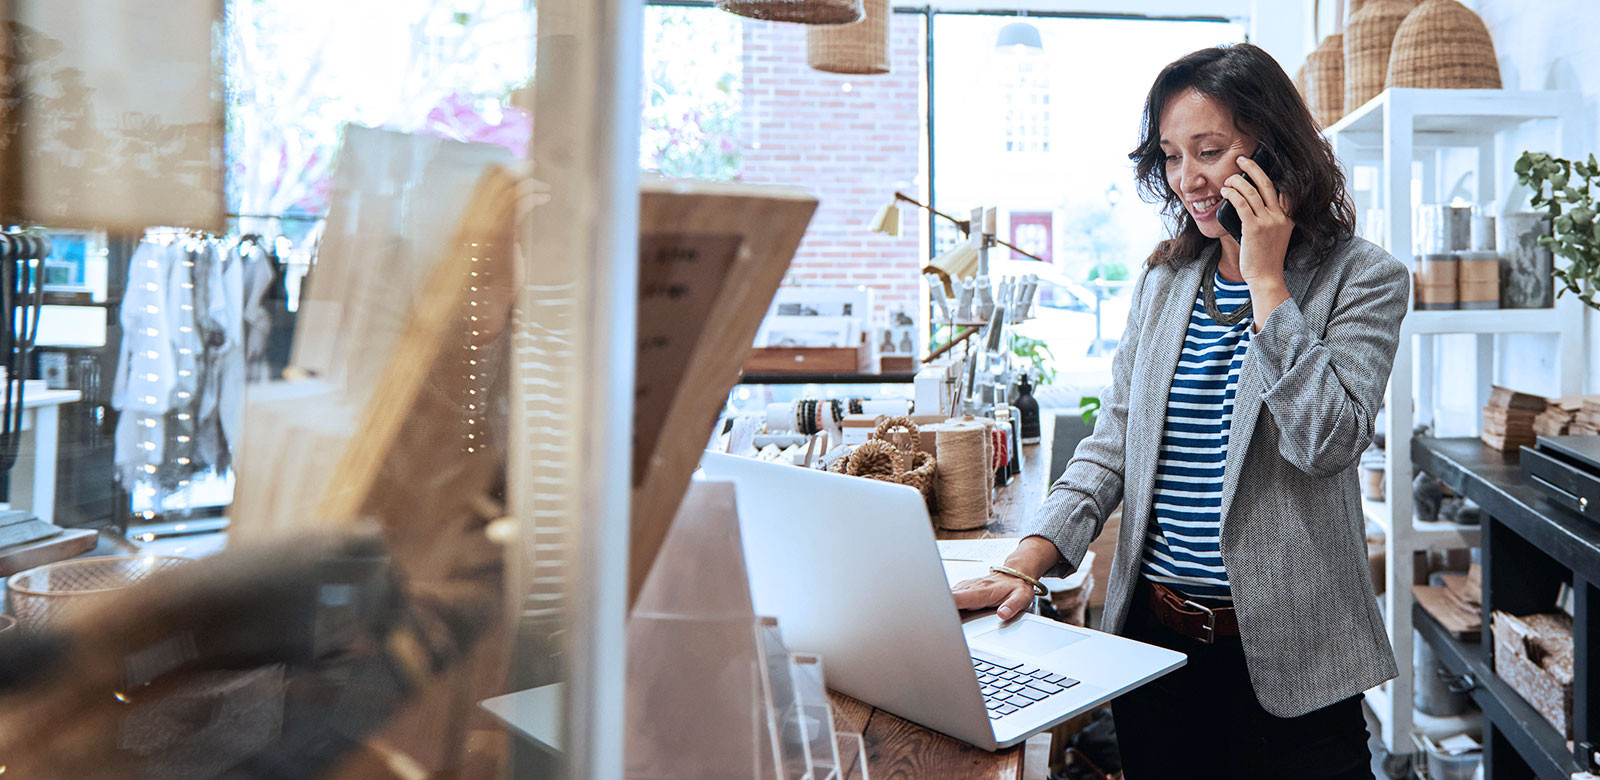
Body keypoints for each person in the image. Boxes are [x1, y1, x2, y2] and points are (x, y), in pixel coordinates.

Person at [952, 42, 1406, 779]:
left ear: (1273, 151)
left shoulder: (1363, 279)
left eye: (1210, 150)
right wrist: (1029, 562)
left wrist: (1265, 280)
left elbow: (1328, 440)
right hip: (1155, 653)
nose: (1188, 179)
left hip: (1296, 665)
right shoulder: (1165, 282)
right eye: (1170, 155)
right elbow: (1116, 441)